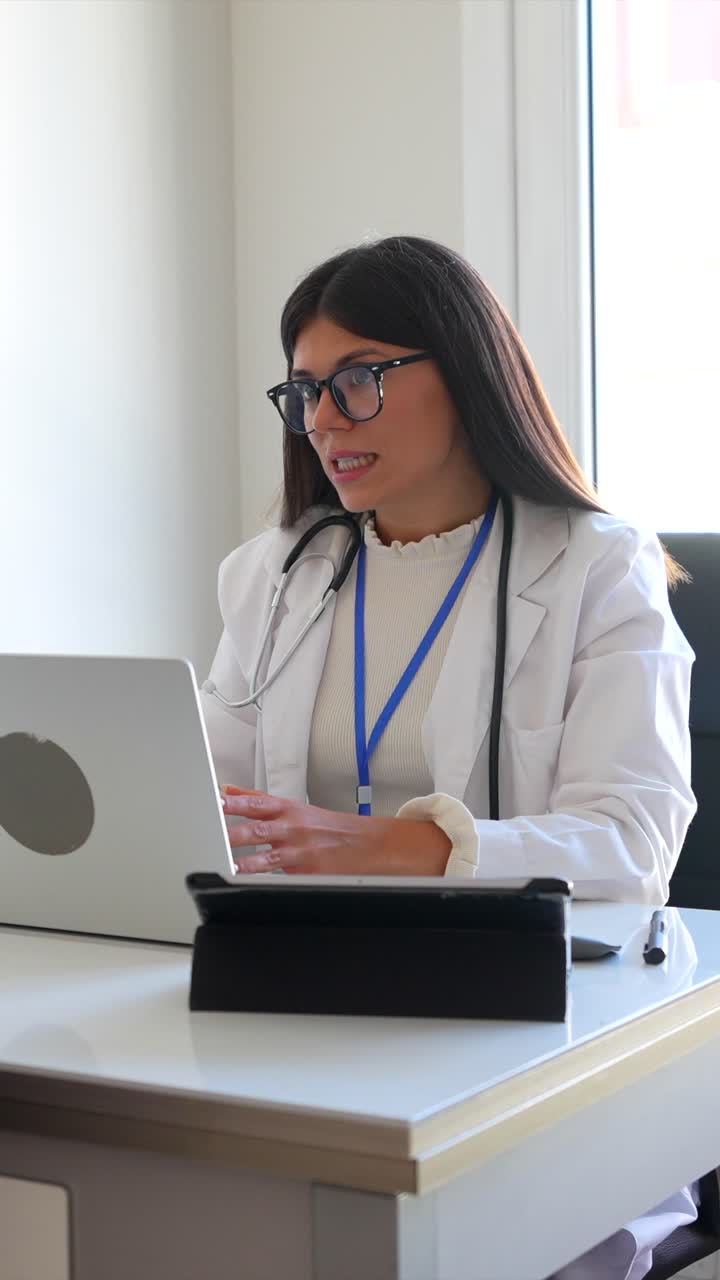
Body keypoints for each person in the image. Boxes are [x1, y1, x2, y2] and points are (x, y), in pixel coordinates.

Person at [200, 235, 697, 1279]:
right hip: (308, 1017)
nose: (326, 419)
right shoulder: (276, 573)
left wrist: (406, 846)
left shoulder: (598, 566)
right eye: (304, 392)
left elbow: (633, 839)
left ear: (466, 369)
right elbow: (212, 792)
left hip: (536, 1035)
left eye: (360, 380)